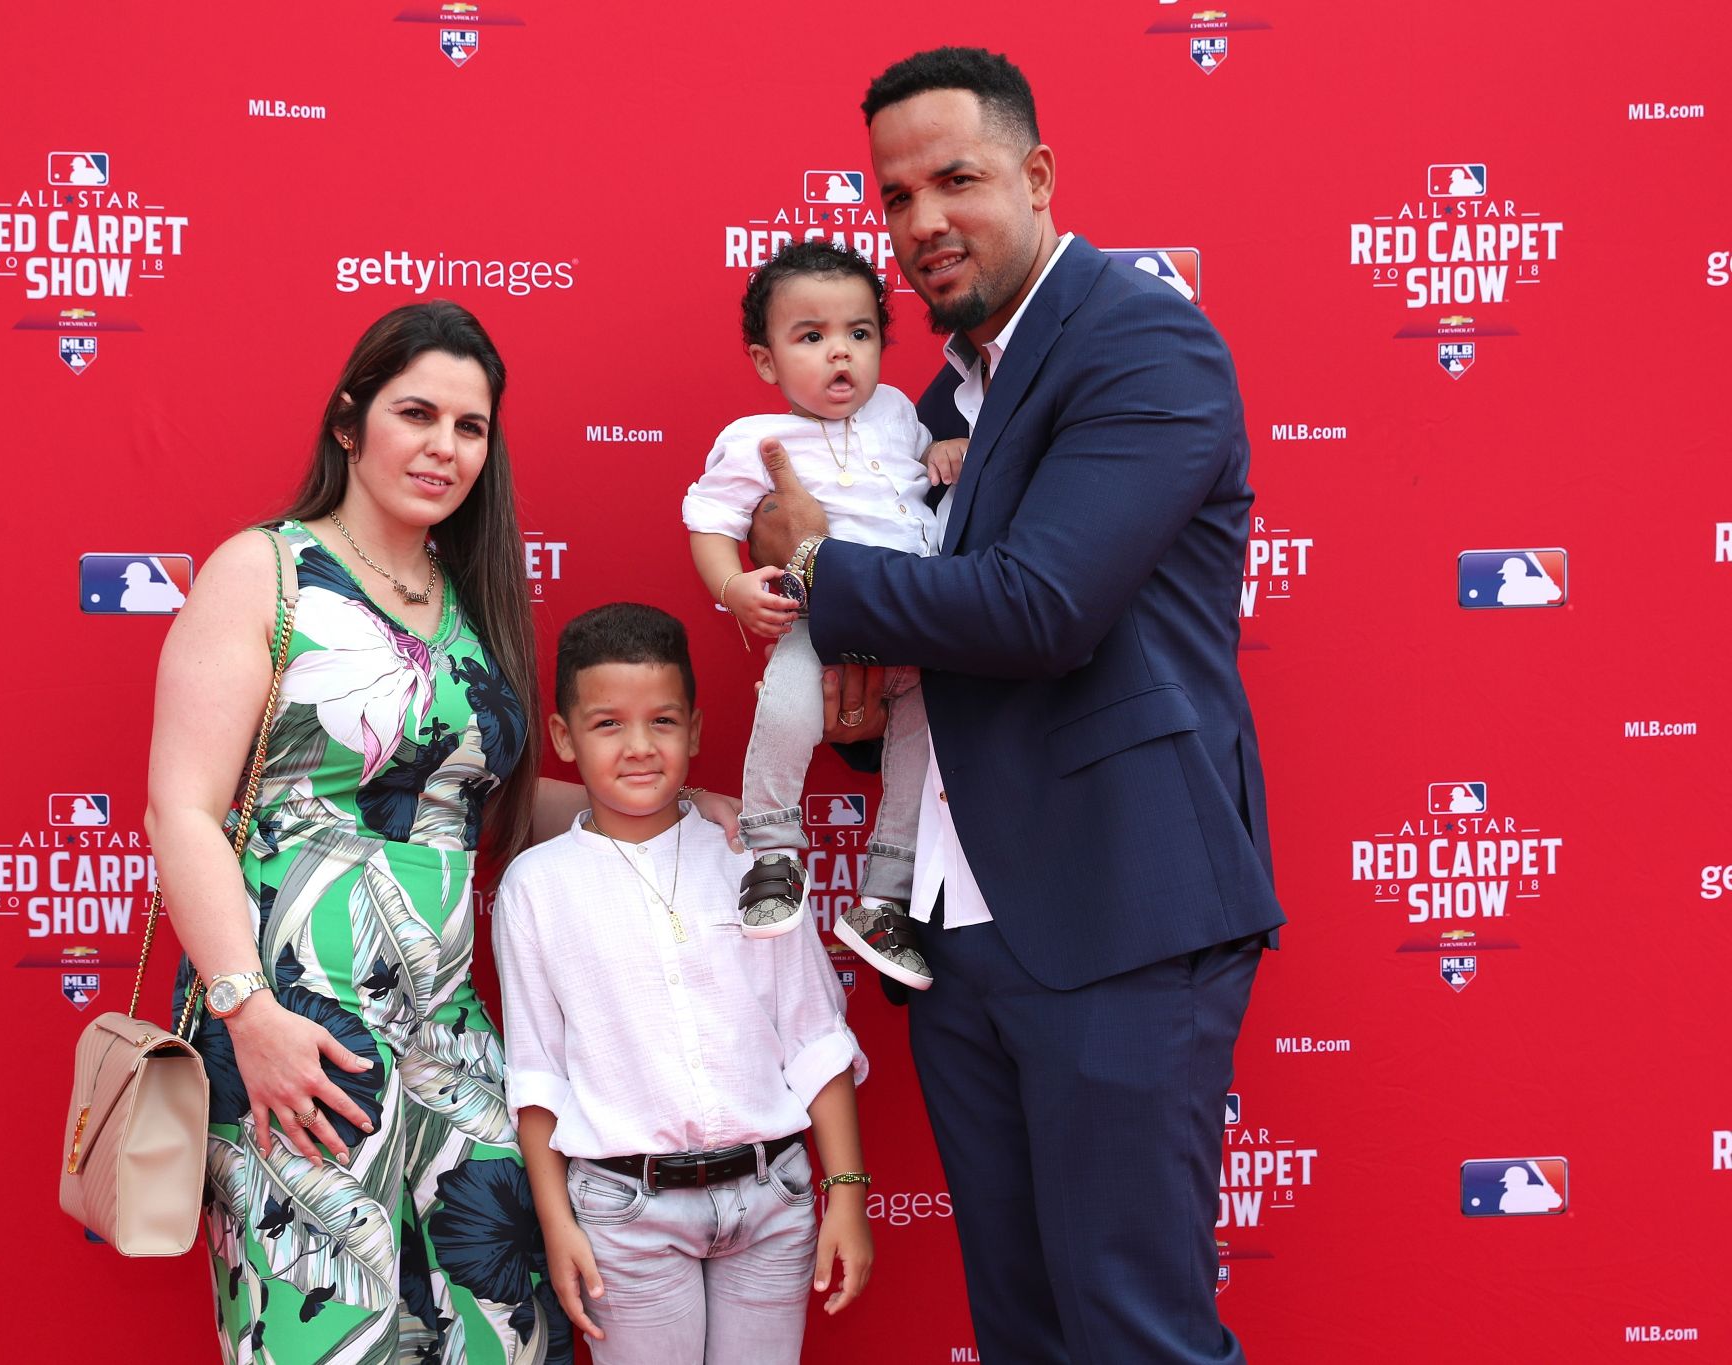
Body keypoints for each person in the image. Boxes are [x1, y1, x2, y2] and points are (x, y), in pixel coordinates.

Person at [751, 47, 1287, 1364]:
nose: (922, 221)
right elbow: (958, 655)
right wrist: (870, 711)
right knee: (1029, 1332)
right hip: (961, 930)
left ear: (1039, 176)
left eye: (958, 179)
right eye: (895, 196)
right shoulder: (936, 404)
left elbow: (1044, 609)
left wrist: (817, 565)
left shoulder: (1140, 337)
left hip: (1117, 912)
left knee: (1133, 1329)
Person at [147, 301, 573, 1365]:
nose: (443, 447)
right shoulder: (269, 570)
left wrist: (665, 812)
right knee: (329, 1338)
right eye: (415, 413)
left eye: (470, 428)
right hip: (298, 1040)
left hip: (451, 1038)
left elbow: (483, 809)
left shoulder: (472, 603)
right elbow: (183, 808)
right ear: (350, 423)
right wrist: (251, 1018)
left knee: (498, 1336)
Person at [492, 602, 872, 1365]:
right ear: (564, 738)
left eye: (663, 722)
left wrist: (850, 1191)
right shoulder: (535, 887)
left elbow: (813, 1036)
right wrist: (556, 1219)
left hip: (775, 1200)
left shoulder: (751, 863)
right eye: (607, 725)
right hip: (625, 1214)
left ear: (695, 730)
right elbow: (538, 1074)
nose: (639, 747)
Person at [682, 239, 963, 989]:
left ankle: (884, 898)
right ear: (767, 361)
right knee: (785, 711)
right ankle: (772, 852)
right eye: (812, 337)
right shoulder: (757, 441)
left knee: (927, 750)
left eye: (860, 333)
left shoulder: (900, 413)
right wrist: (734, 588)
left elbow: (917, 478)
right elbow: (708, 521)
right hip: (821, 625)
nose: (840, 354)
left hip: (920, 625)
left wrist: (944, 453)